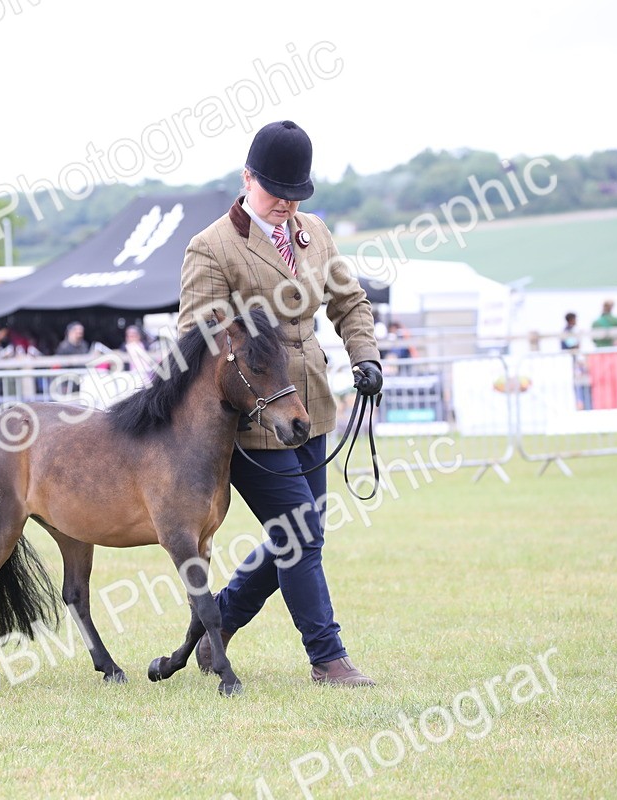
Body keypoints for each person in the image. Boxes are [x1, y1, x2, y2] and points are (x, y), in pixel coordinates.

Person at [177, 120, 383, 687]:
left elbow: (349, 299)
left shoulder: (312, 231)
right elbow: (196, 335)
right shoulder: (212, 246)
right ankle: (328, 658)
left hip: (311, 404)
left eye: (296, 195)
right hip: (250, 418)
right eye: (275, 193)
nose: (286, 206)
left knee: (300, 531)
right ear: (247, 178)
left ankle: (217, 621)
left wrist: (365, 354)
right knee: (300, 532)